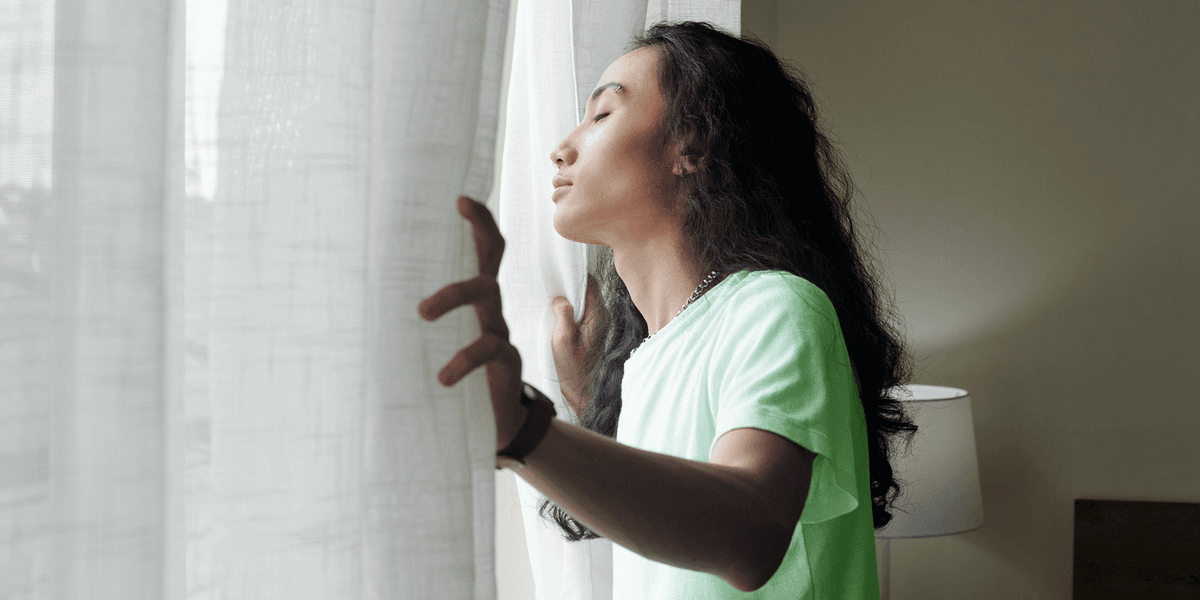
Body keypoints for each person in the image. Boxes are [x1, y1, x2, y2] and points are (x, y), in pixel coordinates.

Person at [418, 21, 917, 599]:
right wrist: (589, 409)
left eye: (602, 115)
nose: (562, 146)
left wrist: (526, 431)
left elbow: (750, 532)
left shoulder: (777, 306)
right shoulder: (647, 359)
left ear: (692, 146)